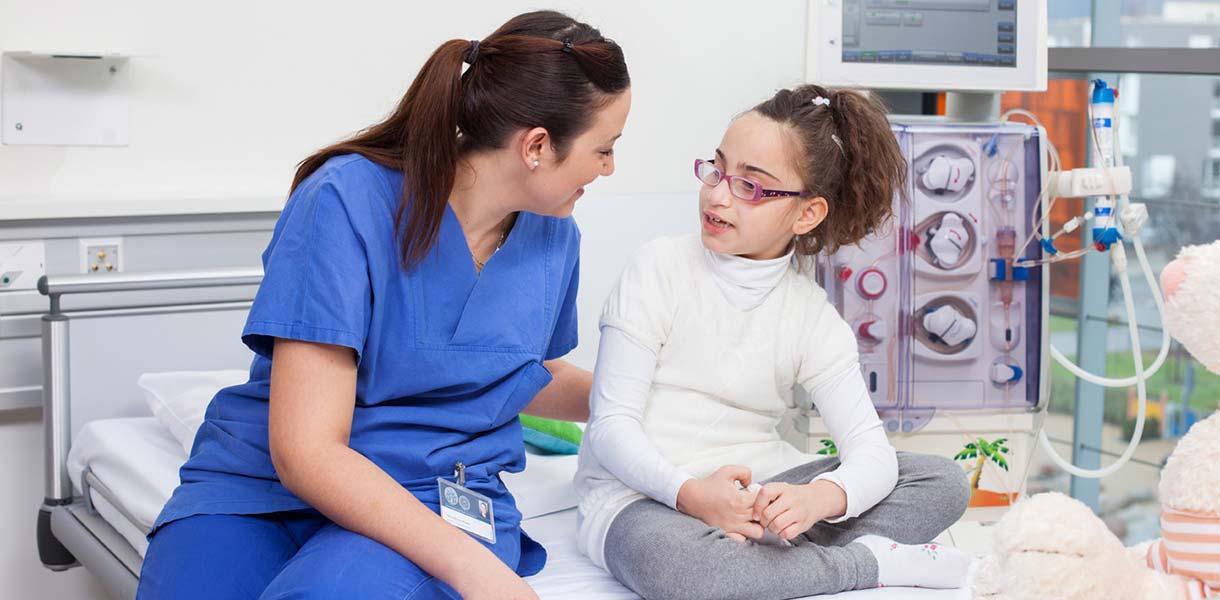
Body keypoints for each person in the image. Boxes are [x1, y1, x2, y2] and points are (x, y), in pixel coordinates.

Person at [137, 10, 630, 600]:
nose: (608, 167)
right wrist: (477, 573)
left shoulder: (553, 238)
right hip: (263, 490)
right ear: (537, 146)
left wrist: (639, 394)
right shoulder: (346, 201)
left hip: (434, 496)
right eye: (604, 148)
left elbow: (512, 370)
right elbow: (306, 450)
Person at [574, 84, 971, 600]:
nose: (718, 194)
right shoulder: (658, 268)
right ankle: (863, 564)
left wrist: (817, 500)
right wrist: (691, 495)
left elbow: (872, 452)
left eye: (751, 187)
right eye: (717, 170)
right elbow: (610, 427)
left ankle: (769, 564)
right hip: (641, 499)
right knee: (685, 572)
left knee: (942, 482)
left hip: (759, 491)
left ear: (806, 214)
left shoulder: (809, 315)